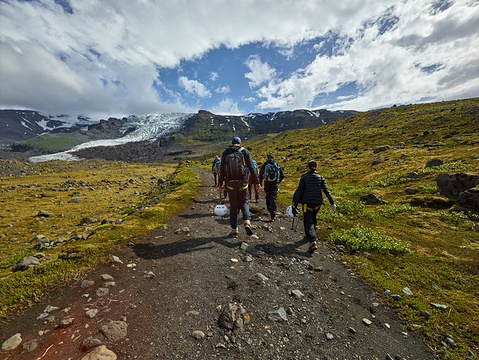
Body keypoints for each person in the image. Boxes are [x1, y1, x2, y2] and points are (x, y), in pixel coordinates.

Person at [218, 137, 261, 237]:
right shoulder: (245, 152)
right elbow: (251, 167)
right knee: (244, 202)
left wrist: (220, 185)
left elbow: (222, 170)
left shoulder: (226, 153)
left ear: (231, 143)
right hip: (243, 183)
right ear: (240, 143)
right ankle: (247, 222)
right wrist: (257, 182)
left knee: (233, 205)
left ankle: (234, 229)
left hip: (230, 184)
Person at [292, 160, 336, 254]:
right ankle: (312, 233)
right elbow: (326, 191)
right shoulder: (320, 178)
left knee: (308, 222)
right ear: (316, 167)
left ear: (308, 167)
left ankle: (312, 241)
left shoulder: (304, 178)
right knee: (313, 218)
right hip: (318, 204)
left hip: (306, 204)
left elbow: (299, 191)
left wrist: (294, 205)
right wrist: (332, 203)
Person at [259, 154, 284, 221]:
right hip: (275, 184)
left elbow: (260, 175)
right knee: (274, 198)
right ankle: (273, 214)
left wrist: (260, 184)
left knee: (268, 196)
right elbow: (282, 175)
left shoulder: (265, 165)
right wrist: (278, 182)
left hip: (267, 184)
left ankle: (269, 209)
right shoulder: (277, 165)